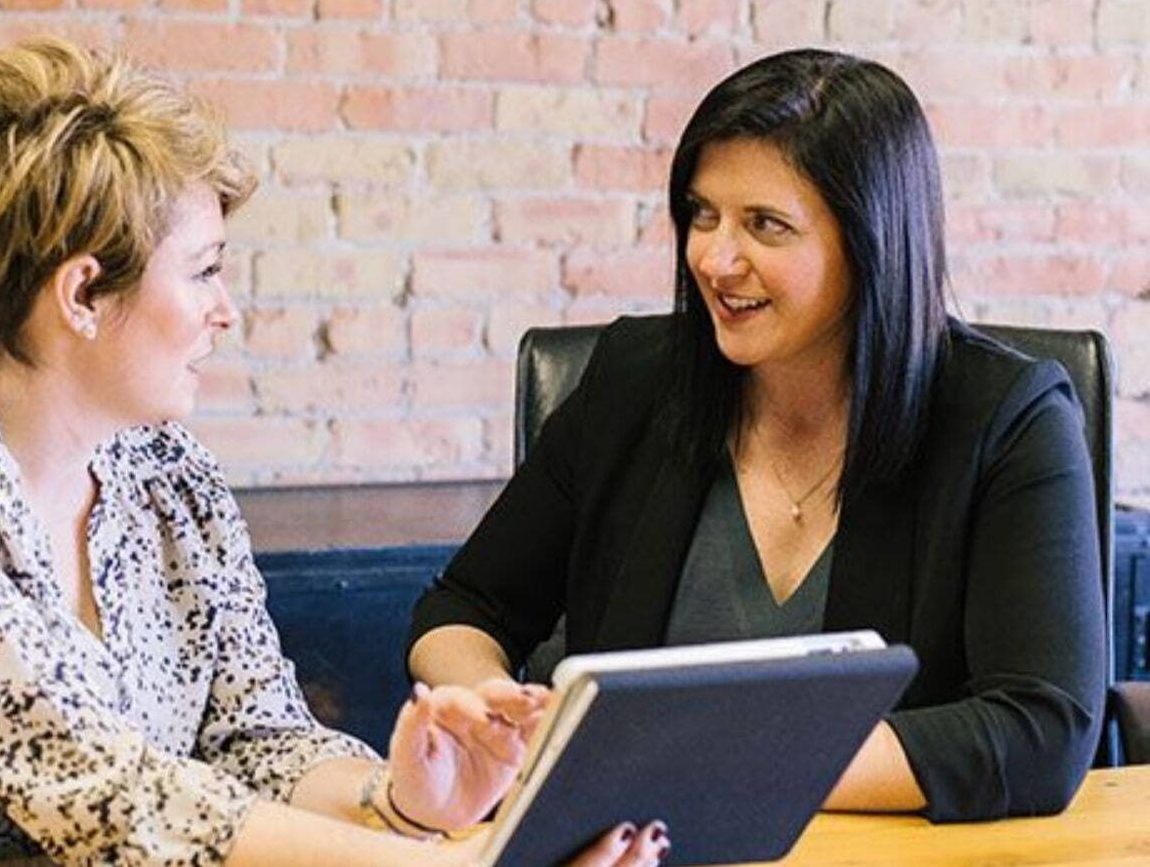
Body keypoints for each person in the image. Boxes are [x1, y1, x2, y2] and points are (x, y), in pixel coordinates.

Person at [0, 39, 668, 867]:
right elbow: (112, 801)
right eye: (203, 270)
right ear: (81, 294)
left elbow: (257, 742)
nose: (226, 310)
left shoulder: (167, 475)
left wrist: (408, 804)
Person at [408, 48, 1107, 823]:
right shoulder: (635, 381)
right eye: (702, 214)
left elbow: (1042, 727)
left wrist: (699, 764)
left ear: (871, 241)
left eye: (765, 225)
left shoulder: (1009, 418)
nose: (714, 257)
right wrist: (488, 709)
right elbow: (463, 607)